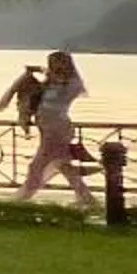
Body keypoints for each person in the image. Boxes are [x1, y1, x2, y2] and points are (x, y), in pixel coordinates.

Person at [17, 51, 92, 204]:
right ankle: (86, 198)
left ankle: (23, 197)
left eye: (57, 63)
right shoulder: (50, 84)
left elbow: (66, 93)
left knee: (37, 166)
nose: (54, 67)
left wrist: (46, 73)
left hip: (58, 129)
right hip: (46, 128)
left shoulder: (72, 84)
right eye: (51, 64)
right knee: (64, 166)